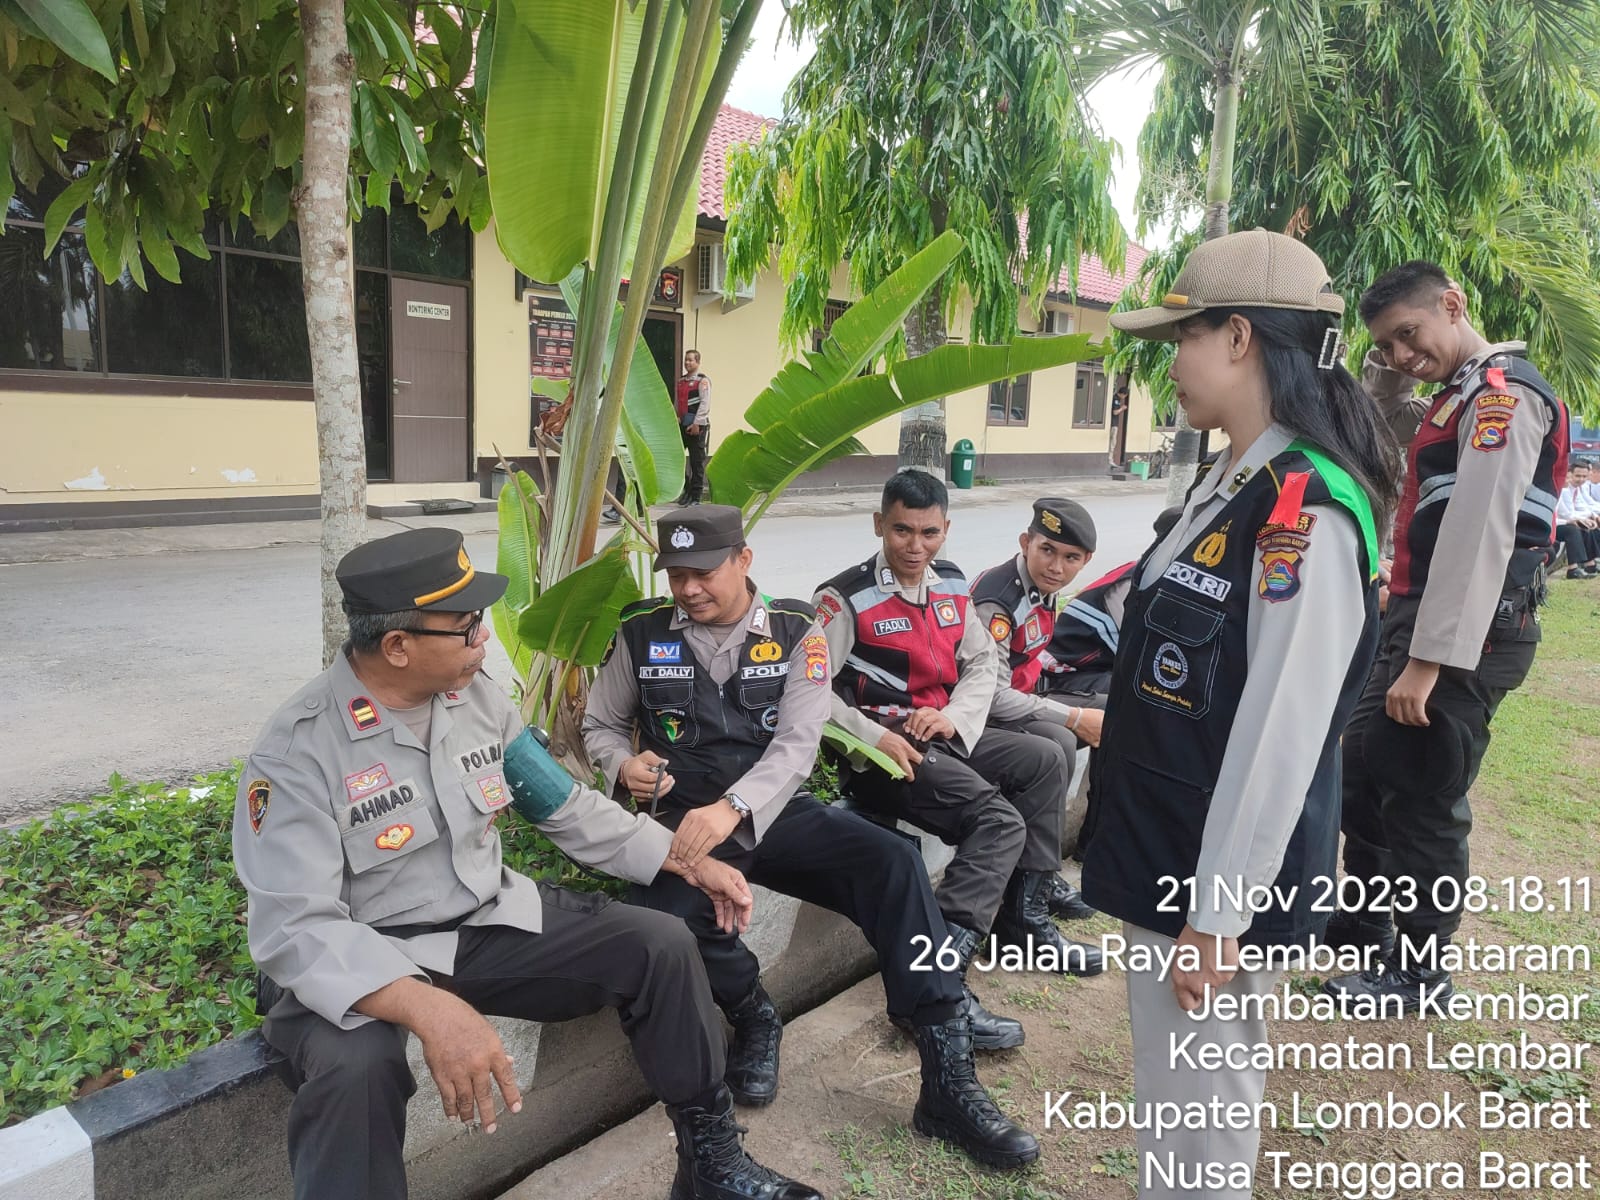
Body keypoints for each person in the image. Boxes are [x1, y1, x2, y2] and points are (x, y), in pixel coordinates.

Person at [233, 527, 822, 1200]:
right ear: (397, 647)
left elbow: (563, 805)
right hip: (360, 955)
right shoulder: (297, 751)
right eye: (465, 626)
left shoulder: (476, 697)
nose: (484, 637)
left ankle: (711, 1164)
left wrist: (684, 862)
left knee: (660, 944)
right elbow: (295, 930)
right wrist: (429, 1008)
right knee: (355, 1069)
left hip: (480, 922)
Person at [1080, 229, 1397, 1199]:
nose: (1168, 361)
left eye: (1180, 335)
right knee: (1173, 1099)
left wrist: (1219, 916)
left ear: (1238, 338)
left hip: (1216, 879)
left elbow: (1281, 733)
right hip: (1171, 843)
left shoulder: (1306, 508)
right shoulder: (1228, 483)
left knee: (1201, 1110)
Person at [581, 504, 1040, 1168]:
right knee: (666, 918)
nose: (687, 589)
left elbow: (798, 745)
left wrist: (734, 806)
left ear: (743, 560)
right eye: (676, 574)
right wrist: (620, 763)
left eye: (703, 572)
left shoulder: (798, 631)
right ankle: (754, 1014)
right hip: (680, 827)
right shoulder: (641, 633)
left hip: (770, 812)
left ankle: (946, 1073)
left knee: (892, 863)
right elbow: (600, 723)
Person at [1324, 261, 1571, 1006]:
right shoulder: (1450, 399)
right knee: (1360, 768)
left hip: (1469, 635)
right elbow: (1370, 420)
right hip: (1414, 621)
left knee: (1422, 787)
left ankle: (1421, 971)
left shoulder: (1502, 397)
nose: (1400, 355)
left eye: (1409, 334)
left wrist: (1428, 663)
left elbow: (1477, 533)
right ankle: (1368, 926)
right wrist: (1389, 358)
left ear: (1454, 306)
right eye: (1388, 343)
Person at [814, 469, 1104, 990]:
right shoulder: (844, 598)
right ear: (879, 523)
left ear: (945, 528)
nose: (915, 545)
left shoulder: (949, 581)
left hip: (945, 732)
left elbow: (980, 662)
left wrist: (953, 718)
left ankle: (1022, 921)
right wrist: (874, 736)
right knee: (998, 822)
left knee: (1043, 760)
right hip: (886, 751)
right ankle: (937, 972)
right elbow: (812, 695)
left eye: (929, 533)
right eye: (903, 530)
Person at [971, 497, 1103, 919]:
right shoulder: (997, 600)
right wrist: (1073, 716)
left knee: (1114, 712)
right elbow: (989, 695)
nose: (1056, 567)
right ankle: (1033, 891)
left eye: (1071, 558)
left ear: (1086, 561)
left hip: (1019, 700)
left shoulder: (1042, 590)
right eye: (1047, 550)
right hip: (978, 713)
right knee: (1060, 740)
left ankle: (1090, 846)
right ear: (1026, 542)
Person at [678, 349, 712, 504]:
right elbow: (678, 403)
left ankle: (696, 497)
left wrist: (697, 423)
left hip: (697, 427)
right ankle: (687, 490)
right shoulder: (681, 381)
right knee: (677, 459)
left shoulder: (702, 381)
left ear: (697, 362)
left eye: (691, 360)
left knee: (696, 462)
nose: (687, 363)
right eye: (686, 360)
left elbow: (705, 404)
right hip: (682, 425)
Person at [1555, 459, 1599, 578]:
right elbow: (1566, 514)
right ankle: (1573, 569)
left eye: (1584, 476)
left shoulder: (1576, 489)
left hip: (1563, 521)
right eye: (1577, 476)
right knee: (1573, 529)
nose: (1581, 479)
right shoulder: (1563, 490)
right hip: (1554, 524)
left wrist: (1590, 518)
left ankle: (1590, 564)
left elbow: (1582, 507)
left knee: (1588, 527)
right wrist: (1580, 519)